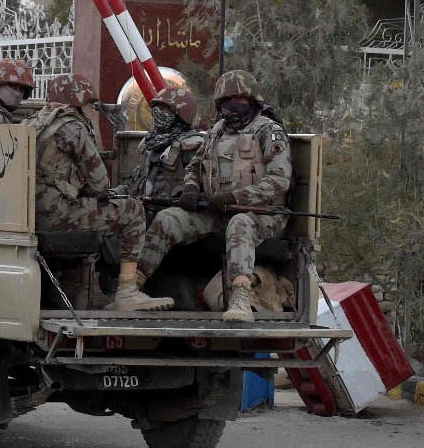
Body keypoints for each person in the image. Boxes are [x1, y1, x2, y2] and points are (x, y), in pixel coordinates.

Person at [137, 70, 291, 323]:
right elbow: (195, 166)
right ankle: (132, 288)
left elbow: (279, 181)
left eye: (239, 101)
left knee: (240, 224)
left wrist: (236, 197)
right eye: (226, 102)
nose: (232, 107)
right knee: (168, 218)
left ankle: (240, 299)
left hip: (261, 216)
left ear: (252, 101)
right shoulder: (217, 130)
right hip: (216, 212)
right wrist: (190, 189)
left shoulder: (268, 131)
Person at [26, 73, 173, 312]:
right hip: (57, 216)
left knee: (93, 213)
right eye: (90, 104)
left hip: (30, 216)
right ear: (79, 101)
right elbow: (100, 183)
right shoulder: (72, 127)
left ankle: (87, 292)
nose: (91, 109)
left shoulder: (33, 122)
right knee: (132, 212)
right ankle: (127, 292)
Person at [116, 85, 204, 202]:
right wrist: (113, 193)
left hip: (173, 212)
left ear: (180, 114)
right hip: (144, 209)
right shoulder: (149, 143)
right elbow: (134, 181)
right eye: (157, 107)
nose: (157, 111)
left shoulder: (192, 145)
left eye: (164, 107)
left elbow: (200, 185)